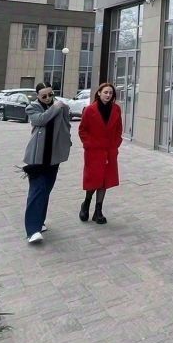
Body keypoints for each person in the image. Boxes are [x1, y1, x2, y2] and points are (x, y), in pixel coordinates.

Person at [22, 82, 71, 243]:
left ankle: (39, 222)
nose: (48, 98)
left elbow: (66, 124)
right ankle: (32, 231)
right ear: (38, 96)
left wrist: (67, 142)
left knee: (46, 190)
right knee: (37, 191)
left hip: (53, 157)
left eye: (51, 94)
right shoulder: (33, 107)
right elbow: (40, 120)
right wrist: (55, 107)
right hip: (37, 158)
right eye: (44, 96)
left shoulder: (59, 106)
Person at [78, 82, 122, 224]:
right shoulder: (89, 110)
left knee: (104, 181)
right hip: (94, 152)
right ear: (99, 93)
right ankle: (86, 203)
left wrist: (116, 145)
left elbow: (118, 129)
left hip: (109, 151)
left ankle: (98, 211)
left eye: (110, 93)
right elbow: (82, 130)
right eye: (105, 92)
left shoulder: (116, 109)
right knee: (93, 180)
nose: (108, 95)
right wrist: (88, 144)